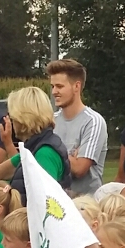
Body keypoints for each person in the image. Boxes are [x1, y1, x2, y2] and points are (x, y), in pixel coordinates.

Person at [45, 59, 108, 197]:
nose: (54, 92)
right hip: (55, 200)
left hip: (86, 203)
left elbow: (80, 169)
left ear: (76, 86)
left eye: (59, 86)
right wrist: (70, 156)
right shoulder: (50, 121)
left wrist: (52, 149)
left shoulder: (93, 121)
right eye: (52, 86)